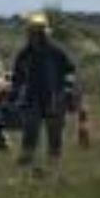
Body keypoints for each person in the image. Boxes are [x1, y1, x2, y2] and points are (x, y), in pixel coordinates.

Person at [9, 13, 76, 170]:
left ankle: (53, 164)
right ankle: (26, 162)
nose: (35, 37)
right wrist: (15, 91)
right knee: (30, 131)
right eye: (32, 33)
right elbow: (17, 76)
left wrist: (67, 87)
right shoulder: (24, 54)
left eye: (38, 33)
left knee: (54, 134)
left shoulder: (56, 52)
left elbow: (70, 70)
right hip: (32, 98)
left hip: (54, 97)